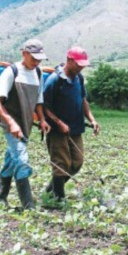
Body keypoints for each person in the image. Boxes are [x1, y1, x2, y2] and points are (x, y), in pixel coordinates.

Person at [0, 38, 51, 210]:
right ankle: (28, 206)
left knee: (11, 160)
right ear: (24, 53)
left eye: (39, 59)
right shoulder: (12, 72)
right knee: (22, 160)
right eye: (34, 58)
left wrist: (42, 119)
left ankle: (0, 198)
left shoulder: (38, 73)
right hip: (10, 123)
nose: (37, 62)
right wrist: (11, 123)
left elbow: (39, 101)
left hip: (25, 123)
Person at [43, 46, 100, 202]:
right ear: (69, 60)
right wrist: (59, 122)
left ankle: (49, 190)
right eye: (79, 64)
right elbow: (44, 107)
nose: (81, 67)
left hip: (76, 127)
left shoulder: (79, 79)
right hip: (57, 130)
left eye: (83, 65)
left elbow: (83, 101)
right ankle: (58, 200)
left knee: (77, 163)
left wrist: (92, 119)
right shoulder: (54, 80)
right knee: (61, 164)